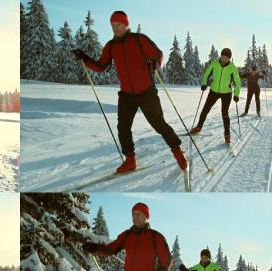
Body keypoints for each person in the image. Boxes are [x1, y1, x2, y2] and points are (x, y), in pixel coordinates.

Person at [72, 11, 187, 174]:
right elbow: (101, 66)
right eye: (113, 25)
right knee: (123, 127)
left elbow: (159, 55)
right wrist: (84, 58)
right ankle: (130, 160)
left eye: (118, 24)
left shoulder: (139, 40)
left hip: (146, 91)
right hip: (126, 94)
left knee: (159, 124)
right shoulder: (111, 46)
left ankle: (178, 152)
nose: (115, 28)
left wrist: (156, 64)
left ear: (126, 24)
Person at [190, 48, 241, 144]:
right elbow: (207, 73)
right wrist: (204, 83)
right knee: (205, 109)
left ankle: (227, 134)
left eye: (226, 58)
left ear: (229, 58)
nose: (223, 59)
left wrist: (236, 94)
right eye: (222, 57)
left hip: (226, 93)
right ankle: (198, 127)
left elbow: (237, 82)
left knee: (224, 113)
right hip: (213, 91)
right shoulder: (215, 63)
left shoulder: (232, 67)